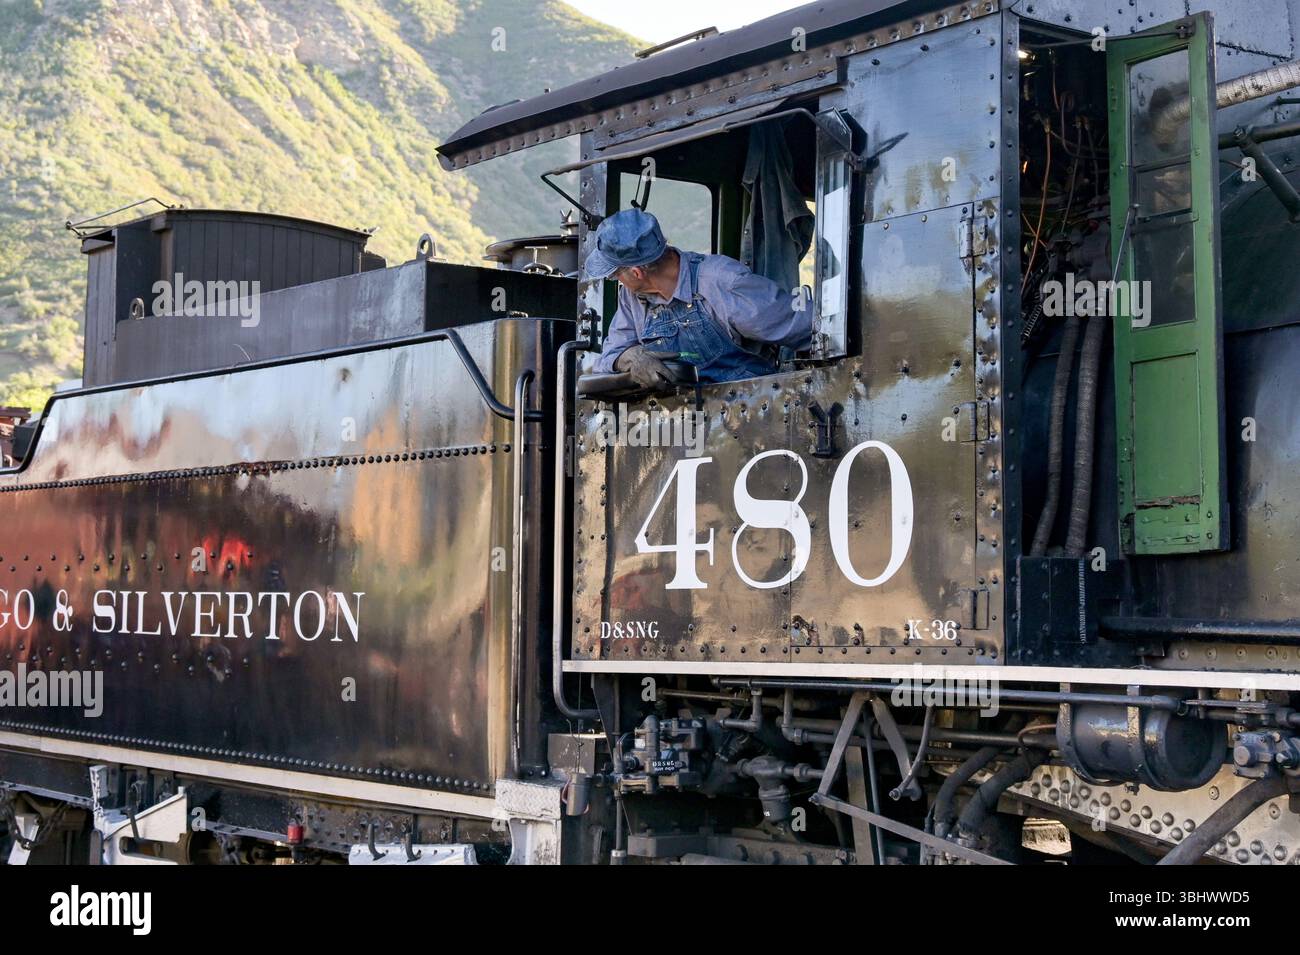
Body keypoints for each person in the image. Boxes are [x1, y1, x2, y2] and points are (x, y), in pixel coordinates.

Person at [587, 209, 811, 386]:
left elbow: (809, 327)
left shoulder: (722, 281)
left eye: (615, 275)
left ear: (636, 272)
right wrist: (631, 357)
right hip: (679, 424)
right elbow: (608, 358)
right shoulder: (632, 296)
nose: (618, 282)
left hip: (747, 413)